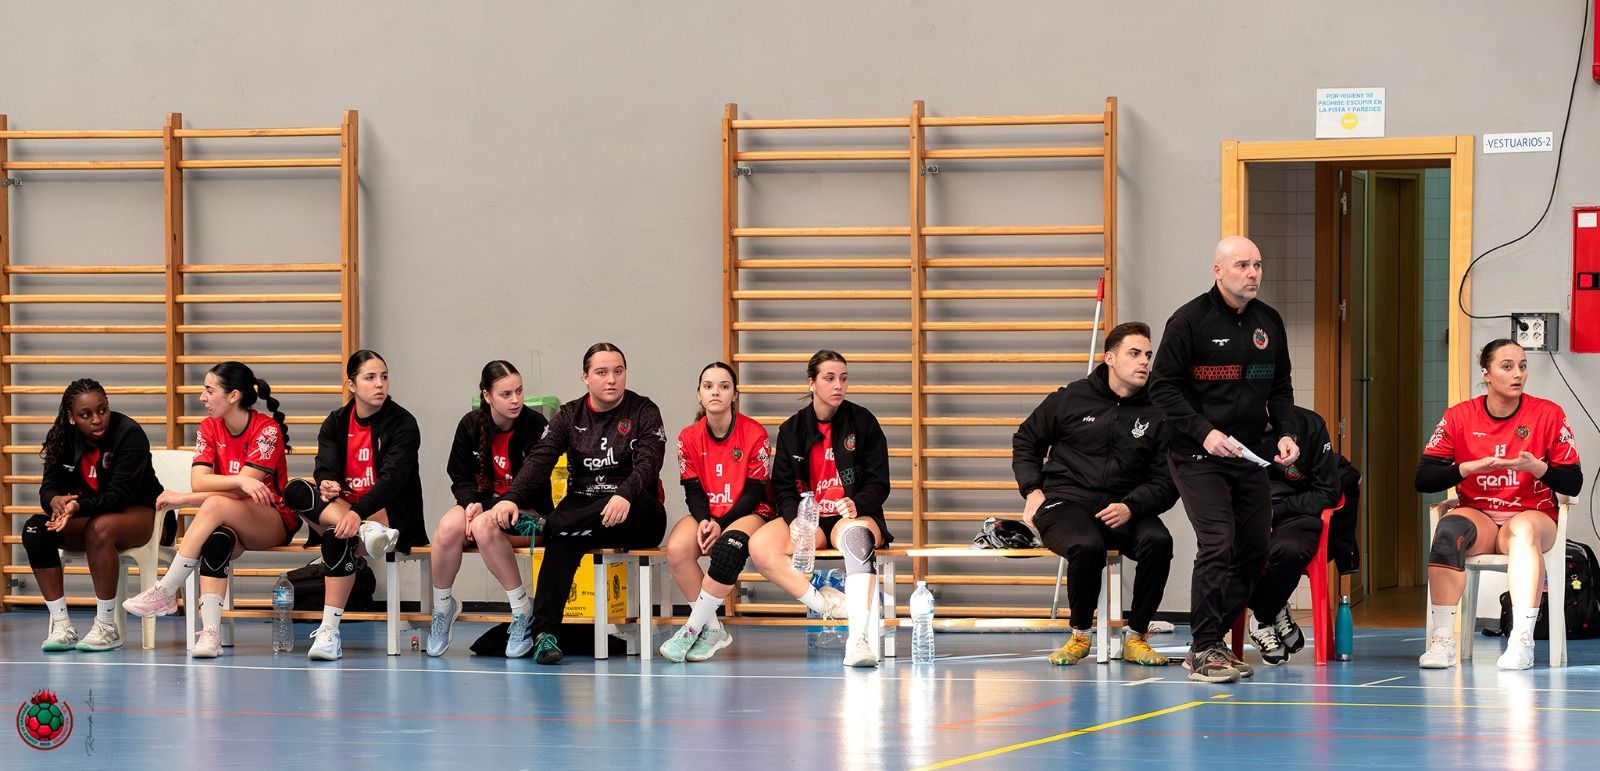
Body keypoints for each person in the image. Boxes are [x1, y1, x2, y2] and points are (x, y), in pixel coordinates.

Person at [1148, 235, 1300, 683]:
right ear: (1218, 270)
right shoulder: (1188, 321)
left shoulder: (1269, 322)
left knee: (1255, 551)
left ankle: (1211, 641)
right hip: (1196, 453)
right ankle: (1204, 647)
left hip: (1248, 456)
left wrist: (1287, 433)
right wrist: (1205, 432)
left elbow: (1280, 388)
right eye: (1242, 265)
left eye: (1257, 265)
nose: (1252, 273)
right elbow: (1163, 389)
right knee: (1218, 541)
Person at [485, 343, 668, 664]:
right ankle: (544, 635)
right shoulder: (570, 414)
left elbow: (649, 463)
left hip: (636, 511)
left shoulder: (643, 410)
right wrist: (512, 498)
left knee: (561, 527)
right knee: (565, 538)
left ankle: (549, 524)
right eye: (601, 372)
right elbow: (540, 459)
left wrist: (623, 494)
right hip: (584, 513)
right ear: (585, 377)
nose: (611, 379)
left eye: (618, 371)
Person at [1013, 322, 1178, 667]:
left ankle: (1136, 636)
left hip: (1124, 507)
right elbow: (1026, 440)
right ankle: (1079, 635)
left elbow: (1167, 480)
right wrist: (1032, 490)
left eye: (1148, 355)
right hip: (1065, 502)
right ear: (1110, 358)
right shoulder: (1071, 397)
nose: (1144, 362)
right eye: (1134, 354)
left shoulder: (1158, 412)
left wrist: (1132, 506)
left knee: (1159, 542)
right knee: (1087, 547)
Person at [1415, 338, 1582, 670]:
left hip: (1533, 516)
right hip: (1479, 517)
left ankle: (1521, 640)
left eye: (1522, 366)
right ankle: (1443, 640)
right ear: (1486, 373)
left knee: (1522, 533)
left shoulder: (1548, 414)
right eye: (1507, 367)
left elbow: (1573, 482)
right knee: (1449, 531)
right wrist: (1467, 468)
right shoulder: (1460, 416)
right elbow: (1423, 479)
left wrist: (1540, 469)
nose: (1518, 374)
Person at [124, 362, 298, 659]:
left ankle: (166, 591)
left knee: (215, 503)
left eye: (209, 390)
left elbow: (228, 491)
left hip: (271, 518)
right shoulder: (208, 427)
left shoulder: (266, 431)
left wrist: (186, 499)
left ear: (233, 396)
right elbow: (200, 479)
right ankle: (211, 634)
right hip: (231, 517)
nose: (203, 397)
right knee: (217, 542)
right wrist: (240, 479)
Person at [749, 350, 892, 668]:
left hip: (850, 516)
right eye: (829, 378)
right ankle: (824, 602)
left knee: (858, 541)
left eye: (843, 378)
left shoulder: (863, 422)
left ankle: (858, 640)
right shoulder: (792, 429)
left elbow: (880, 483)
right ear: (811, 382)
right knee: (759, 546)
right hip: (809, 518)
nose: (838, 385)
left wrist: (858, 503)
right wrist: (792, 521)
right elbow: (783, 487)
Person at [285, 349, 426, 661]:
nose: (380, 384)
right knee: (296, 490)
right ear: (352, 385)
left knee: (337, 536)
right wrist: (327, 481)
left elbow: (392, 481)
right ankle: (364, 532)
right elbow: (324, 467)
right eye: (370, 377)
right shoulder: (336, 422)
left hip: (388, 514)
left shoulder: (402, 423)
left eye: (384, 377)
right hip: (348, 513)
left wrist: (356, 512)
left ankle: (329, 630)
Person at [26, 379, 164, 652]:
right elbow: (49, 488)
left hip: (139, 513)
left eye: (102, 410)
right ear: (71, 417)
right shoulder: (62, 437)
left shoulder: (129, 433)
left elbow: (121, 496)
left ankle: (106, 626)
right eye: (86, 415)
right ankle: (62, 624)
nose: (97, 420)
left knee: (100, 528)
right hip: (89, 515)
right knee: (35, 530)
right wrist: (55, 502)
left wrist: (78, 508)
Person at [426, 360, 553, 657]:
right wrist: (472, 504)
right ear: (487, 396)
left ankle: (522, 611)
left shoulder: (537, 427)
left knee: (484, 526)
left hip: (529, 514)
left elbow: (533, 483)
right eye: (506, 394)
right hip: (481, 506)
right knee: (447, 528)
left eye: (519, 392)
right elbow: (459, 477)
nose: (515, 400)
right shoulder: (470, 425)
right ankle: (443, 608)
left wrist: (485, 510)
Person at [659, 362, 775, 662]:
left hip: (749, 513)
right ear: (698, 394)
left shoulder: (755, 433)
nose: (716, 392)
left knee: (725, 546)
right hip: (708, 514)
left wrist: (721, 524)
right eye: (708, 386)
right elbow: (693, 490)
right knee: (676, 549)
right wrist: (705, 521)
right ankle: (712, 629)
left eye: (724, 386)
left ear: (734, 394)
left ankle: (691, 629)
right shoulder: (688, 437)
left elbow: (754, 492)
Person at [1244, 406, 1344, 665]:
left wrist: (1279, 511)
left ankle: (1262, 617)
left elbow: (1328, 492)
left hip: (1295, 513)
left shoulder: (1310, 424)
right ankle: (1276, 606)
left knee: (1287, 550)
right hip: (1249, 514)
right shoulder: (1232, 424)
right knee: (1224, 550)